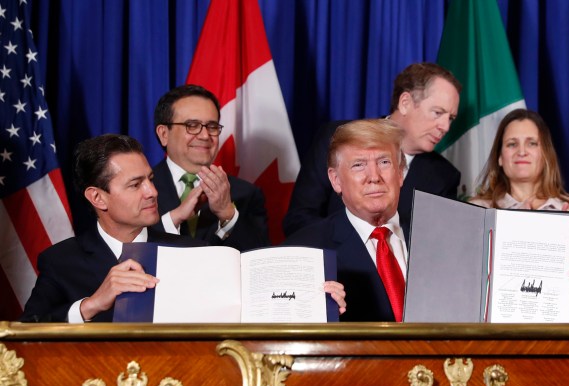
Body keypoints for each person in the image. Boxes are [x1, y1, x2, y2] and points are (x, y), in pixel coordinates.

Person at [283, 119, 569, 322]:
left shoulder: (451, 235)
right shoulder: (304, 251)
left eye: (384, 162)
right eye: (358, 165)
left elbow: (498, 312)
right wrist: (309, 311)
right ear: (335, 180)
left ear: (402, 172)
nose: (374, 177)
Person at [20, 134, 346, 323]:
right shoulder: (60, 261)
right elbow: (24, 334)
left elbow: (249, 309)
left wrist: (315, 300)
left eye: (149, 179)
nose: (152, 192)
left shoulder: (196, 252)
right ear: (97, 197)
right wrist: (90, 305)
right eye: (135, 185)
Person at [282, 62, 462, 237]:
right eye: (438, 113)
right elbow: (299, 220)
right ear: (405, 103)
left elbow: (435, 245)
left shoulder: (444, 177)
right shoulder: (338, 139)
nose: (445, 127)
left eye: (451, 118)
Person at [151, 84, 269, 251]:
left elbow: (259, 260)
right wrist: (173, 219)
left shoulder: (246, 194)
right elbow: (123, 248)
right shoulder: (137, 189)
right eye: (192, 125)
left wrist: (228, 215)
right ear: (164, 134)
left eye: (212, 126)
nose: (205, 136)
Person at [470, 109, 569, 229]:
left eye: (532, 143)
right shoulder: (478, 211)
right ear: (500, 157)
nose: (522, 152)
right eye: (512, 144)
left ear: (545, 154)